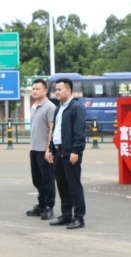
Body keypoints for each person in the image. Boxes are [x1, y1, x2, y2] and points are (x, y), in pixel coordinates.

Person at [46, 78, 87, 229]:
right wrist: (51, 149)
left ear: (68, 90)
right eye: (55, 89)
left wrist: (76, 150)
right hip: (58, 152)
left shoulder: (76, 108)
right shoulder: (58, 108)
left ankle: (79, 217)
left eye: (59, 89)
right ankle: (65, 215)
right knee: (62, 186)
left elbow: (80, 132)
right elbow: (56, 131)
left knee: (74, 186)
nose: (56, 92)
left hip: (70, 153)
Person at [26, 78, 56, 221]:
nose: (35, 91)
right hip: (35, 149)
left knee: (47, 180)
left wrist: (49, 149)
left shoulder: (50, 107)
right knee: (37, 179)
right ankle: (41, 204)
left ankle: (49, 207)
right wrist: (30, 147)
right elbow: (34, 129)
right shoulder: (33, 106)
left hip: (45, 150)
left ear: (45, 90)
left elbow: (52, 129)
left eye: (38, 89)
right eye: (33, 89)